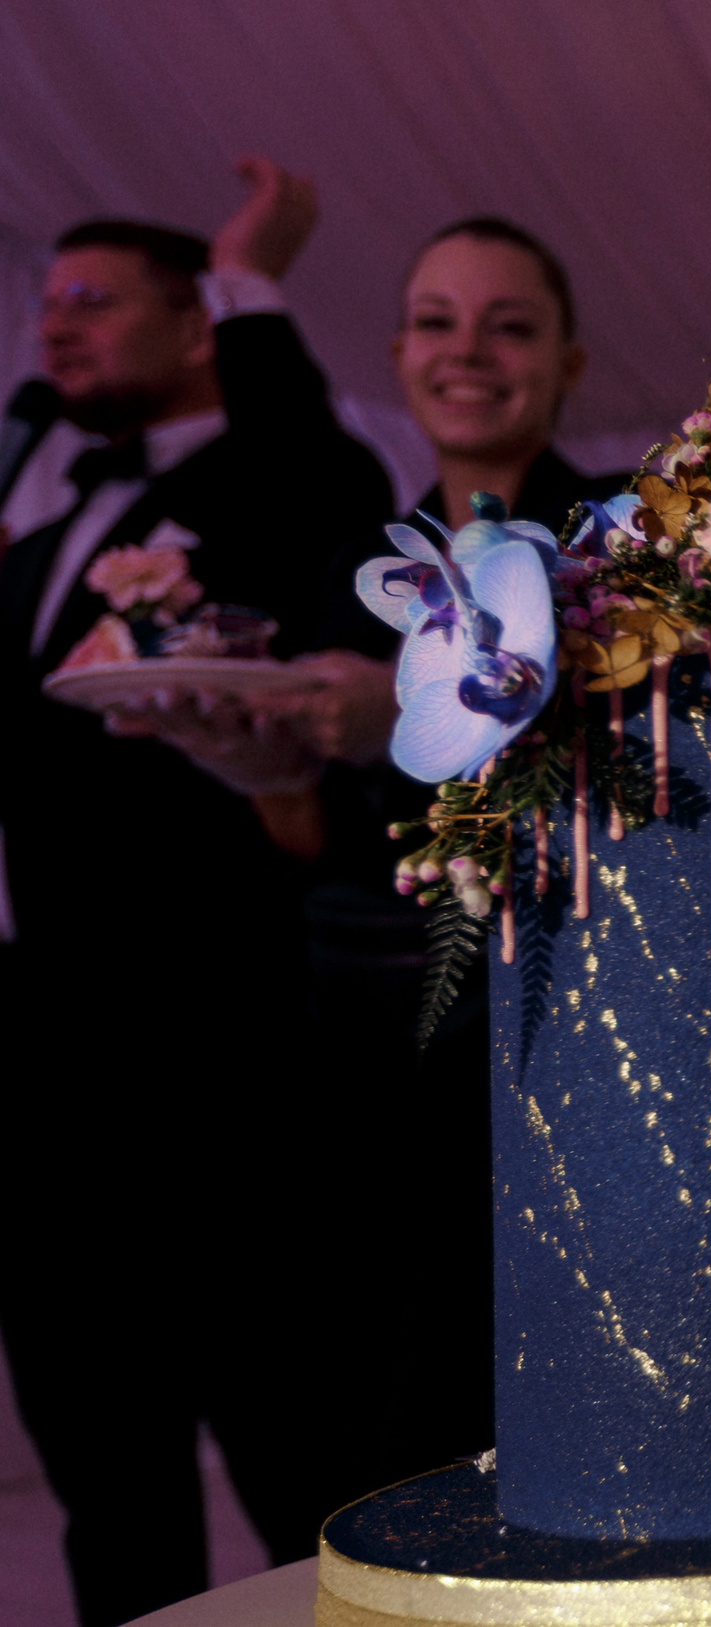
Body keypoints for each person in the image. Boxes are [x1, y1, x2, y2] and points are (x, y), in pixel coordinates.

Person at [0, 158, 393, 1625]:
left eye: (95, 301)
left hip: (220, 1061)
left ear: (194, 326)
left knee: (301, 1462)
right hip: (48, 1076)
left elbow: (325, 481)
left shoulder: (286, 474)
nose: (55, 328)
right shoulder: (43, 539)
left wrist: (253, 275)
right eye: (44, 304)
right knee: (109, 1479)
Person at [292, 216, 620, 1489]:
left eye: (510, 324)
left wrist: (414, 711)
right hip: (370, 1055)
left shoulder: (616, 550)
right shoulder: (353, 569)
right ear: (396, 351)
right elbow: (313, 835)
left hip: (560, 1044)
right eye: (437, 320)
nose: (467, 351)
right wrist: (263, 767)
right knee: (380, 1426)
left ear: (569, 362)